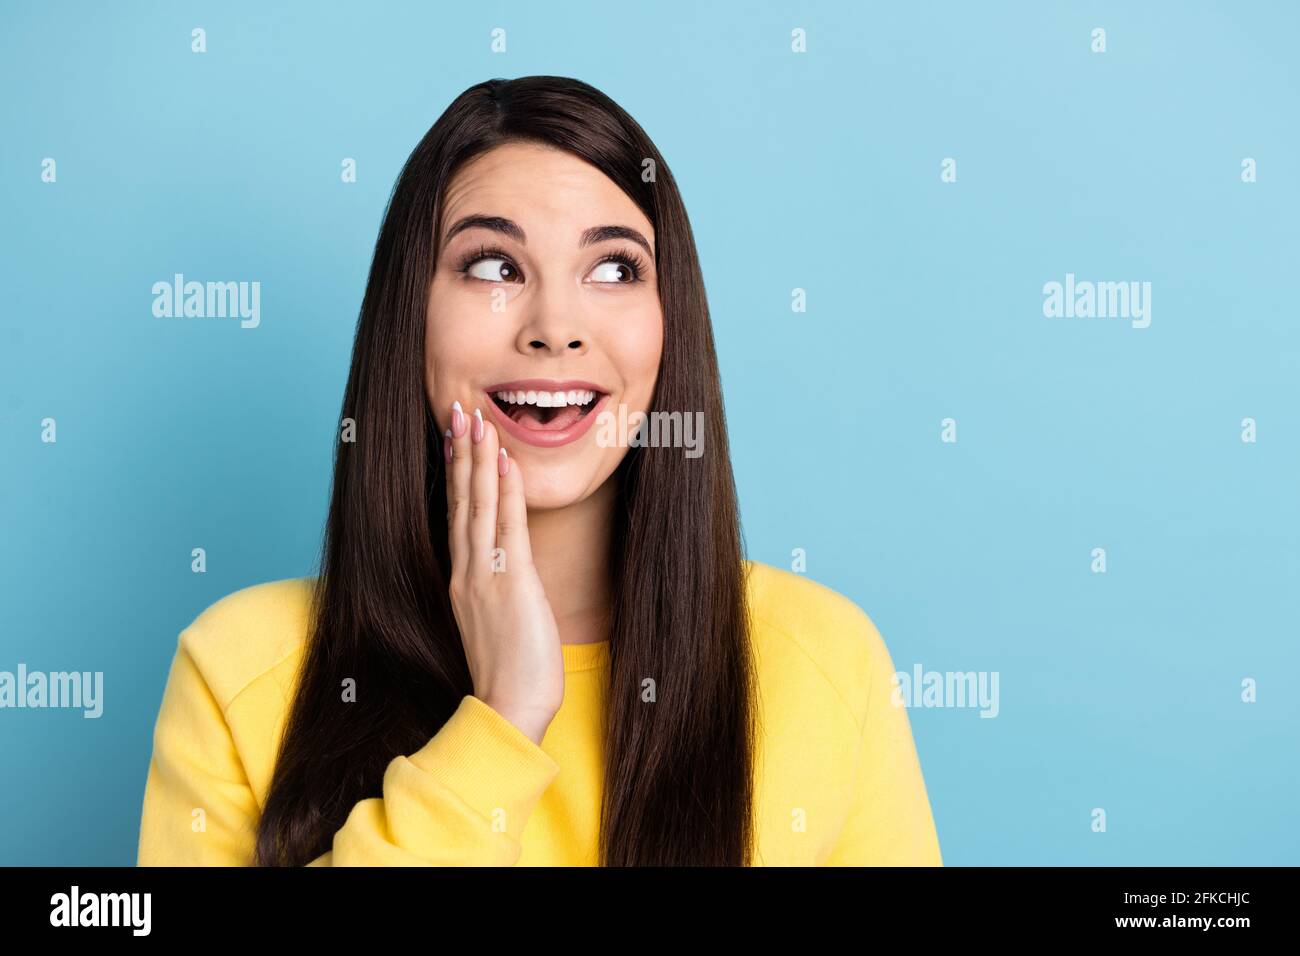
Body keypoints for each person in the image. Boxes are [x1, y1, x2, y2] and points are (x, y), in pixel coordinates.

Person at [136, 75, 942, 867]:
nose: (555, 327)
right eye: (494, 267)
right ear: (410, 315)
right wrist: (503, 720)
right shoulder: (239, 668)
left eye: (615, 269)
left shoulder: (828, 661)